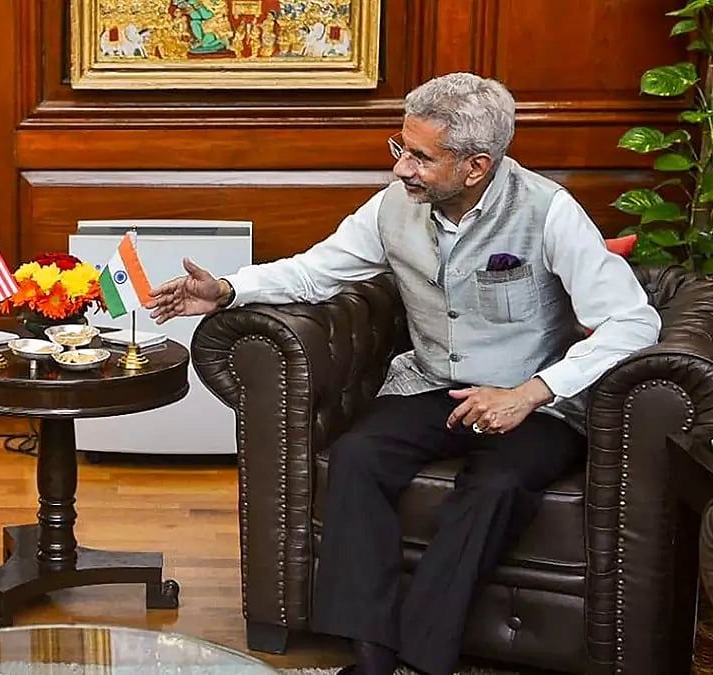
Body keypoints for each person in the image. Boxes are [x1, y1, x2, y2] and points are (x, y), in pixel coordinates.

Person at [146, 72, 661, 675]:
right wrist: (229, 289)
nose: (400, 169)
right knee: (356, 458)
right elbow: (316, 271)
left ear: (475, 166)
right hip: (429, 383)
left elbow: (633, 321)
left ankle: (422, 660)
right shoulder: (393, 206)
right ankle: (371, 658)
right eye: (400, 147)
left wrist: (531, 392)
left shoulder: (549, 211)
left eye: (419, 157)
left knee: (495, 486)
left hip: (533, 401)